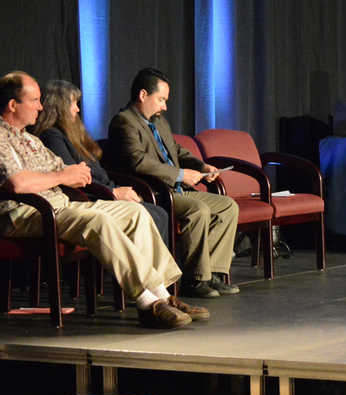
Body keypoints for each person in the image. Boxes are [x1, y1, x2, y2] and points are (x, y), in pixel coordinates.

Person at [0, 71, 208, 329]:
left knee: (136, 213)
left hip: (61, 206)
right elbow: (18, 183)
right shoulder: (1, 138)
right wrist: (63, 175)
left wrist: (74, 174)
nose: (40, 107)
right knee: (98, 220)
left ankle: (163, 296)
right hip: (26, 213)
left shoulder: (31, 140)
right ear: (12, 105)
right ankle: (146, 302)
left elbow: (63, 170)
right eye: (34, 100)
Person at [106, 67, 240, 299]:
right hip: (155, 193)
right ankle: (195, 279)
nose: (164, 106)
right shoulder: (123, 123)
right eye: (161, 99)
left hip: (176, 189)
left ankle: (214, 273)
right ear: (143, 95)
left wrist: (201, 166)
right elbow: (138, 162)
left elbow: (176, 150)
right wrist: (180, 175)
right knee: (198, 209)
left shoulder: (159, 122)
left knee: (228, 206)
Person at [32, 79, 171, 245]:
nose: (77, 109)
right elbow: (74, 177)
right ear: (59, 107)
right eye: (73, 104)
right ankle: (138, 270)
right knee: (154, 214)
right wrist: (114, 192)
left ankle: (154, 269)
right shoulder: (52, 136)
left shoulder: (72, 133)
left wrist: (117, 189)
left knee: (159, 213)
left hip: (105, 191)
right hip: (91, 197)